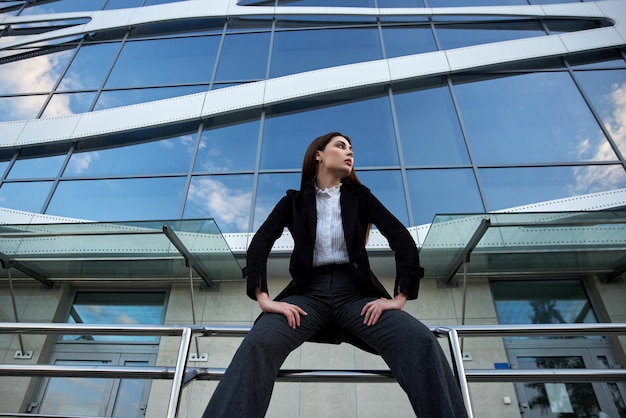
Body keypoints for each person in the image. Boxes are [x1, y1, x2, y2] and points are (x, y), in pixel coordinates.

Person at [202, 132, 468, 418]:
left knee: (420, 341)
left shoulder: (361, 197)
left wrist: (400, 297)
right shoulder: (294, 201)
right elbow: (259, 244)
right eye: (340, 146)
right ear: (319, 154)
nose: (349, 153)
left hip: (356, 297)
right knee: (258, 342)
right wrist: (263, 298)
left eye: (352, 149)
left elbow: (401, 238)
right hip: (307, 298)